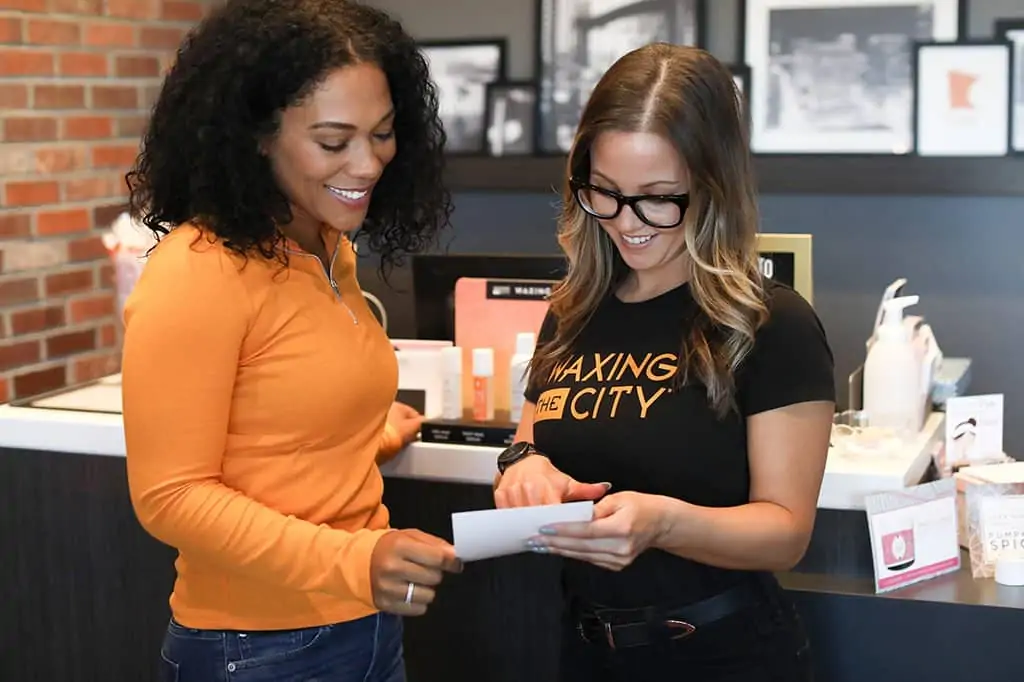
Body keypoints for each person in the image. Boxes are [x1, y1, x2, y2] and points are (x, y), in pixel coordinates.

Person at [120, 1, 461, 680]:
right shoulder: (200, 270)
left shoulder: (327, 246)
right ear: (257, 135)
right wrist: (356, 560)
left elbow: (277, 430)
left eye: (383, 133)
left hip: (366, 627)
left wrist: (363, 438)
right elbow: (172, 495)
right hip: (254, 647)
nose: (367, 164)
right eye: (334, 142)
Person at [493, 43, 835, 682]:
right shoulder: (574, 310)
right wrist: (523, 467)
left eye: (658, 197)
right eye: (605, 192)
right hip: (586, 648)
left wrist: (664, 523)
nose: (628, 222)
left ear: (712, 186)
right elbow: (527, 442)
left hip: (722, 655)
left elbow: (786, 532)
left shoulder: (772, 323)